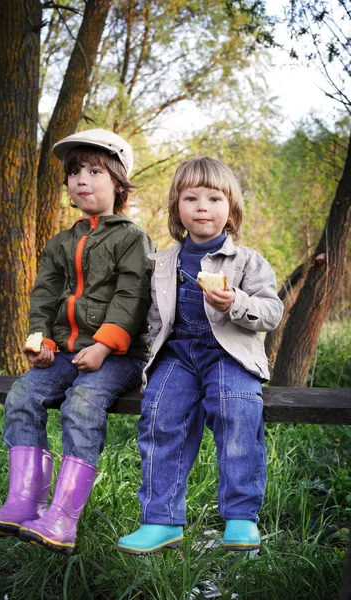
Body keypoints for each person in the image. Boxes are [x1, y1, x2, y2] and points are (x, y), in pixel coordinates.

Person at [0, 129, 154, 556]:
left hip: (118, 355)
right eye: (74, 173)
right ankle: (24, 501)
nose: (82, 180)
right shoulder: (61, 242)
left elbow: (134, 296)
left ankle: (63, 518)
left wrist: (106, 345)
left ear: (118, 184)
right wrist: (42, 342)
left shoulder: (132, 238)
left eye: (94, 171)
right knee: (21, 395)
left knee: (82, 404)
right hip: (66, 352)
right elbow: (44, 297)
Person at [118, 156, 284, 555]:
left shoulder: (248, 261)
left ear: (231, 208)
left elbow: (272, 313)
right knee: (159, 418)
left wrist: (235, 302)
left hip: (229, 353)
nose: (202, 207)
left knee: (236, 412)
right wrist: (148, 371)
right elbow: (156, 322)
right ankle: (160, 520)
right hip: (179, 354)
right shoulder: (163, 263)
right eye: (191, 198)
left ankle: (241, 516)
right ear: (177, 207)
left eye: (214, 198)